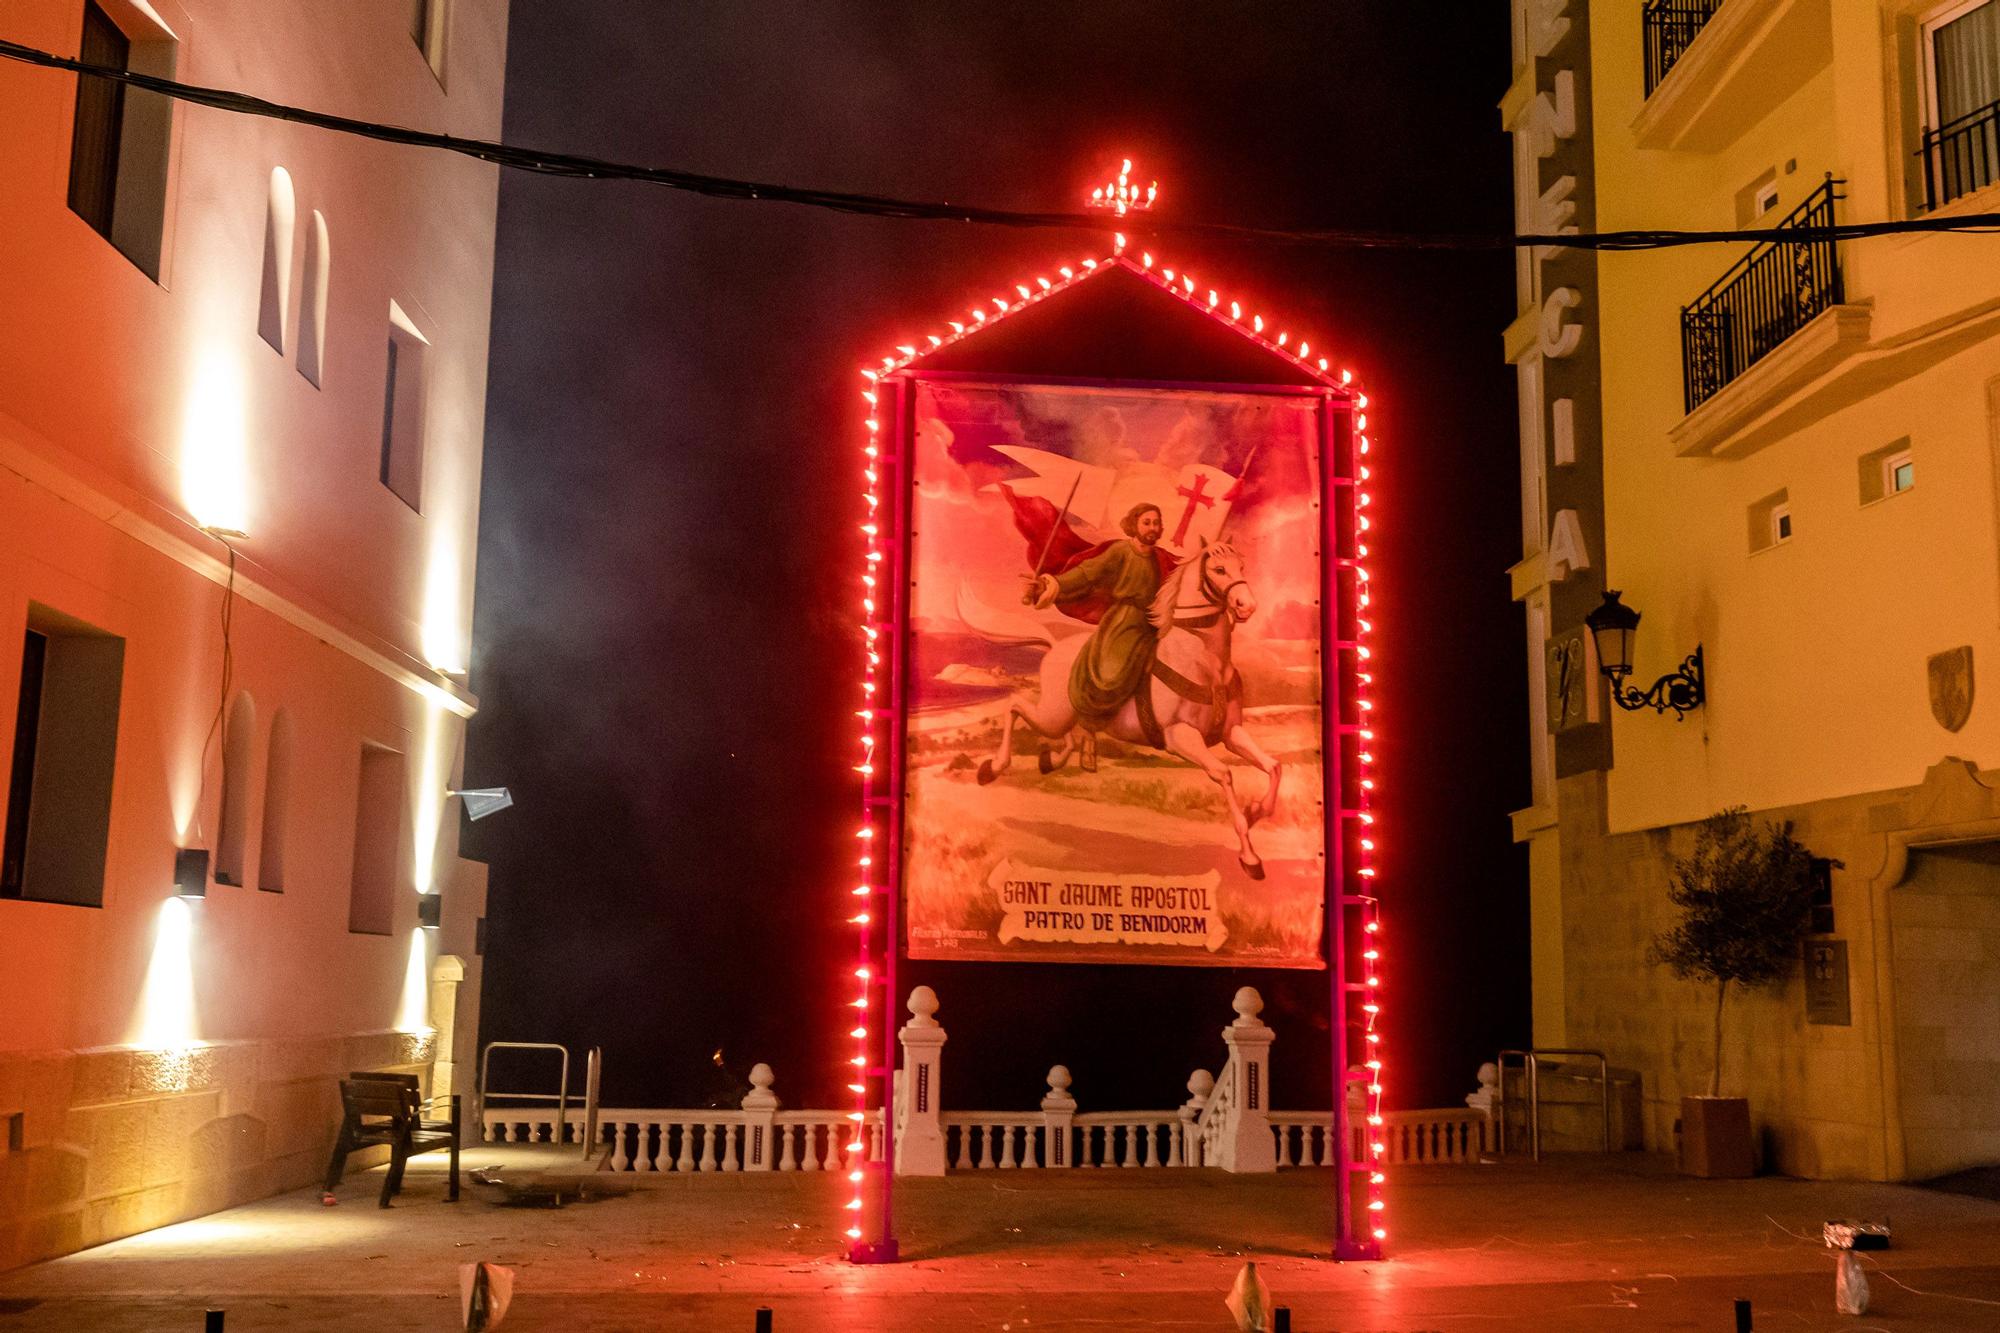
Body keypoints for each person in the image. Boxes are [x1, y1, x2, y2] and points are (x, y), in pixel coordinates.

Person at [1029, 502, 1170, 727]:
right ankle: (1092, 719)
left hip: (1154, 624)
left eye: (1156, 523)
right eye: (1146, 523)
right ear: (1134, 524)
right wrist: (1053, 584)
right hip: (1124, 622)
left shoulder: (1161, 557)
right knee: (1112, 676)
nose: (1152, 528)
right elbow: (1087, 573)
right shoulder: (1121, 551)